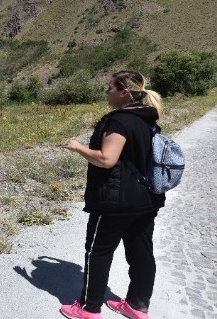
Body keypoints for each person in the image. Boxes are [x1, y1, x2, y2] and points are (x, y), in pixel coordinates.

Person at [59, 71, 165, 319]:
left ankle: (89, 308)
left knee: (98, 251)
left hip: (114, 201)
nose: (107, 92)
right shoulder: (147, 119)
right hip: (145, 199)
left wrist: (77, 147)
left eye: (110, 88)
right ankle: (137, 306)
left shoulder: (119, 121)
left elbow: (107, 159)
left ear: (124, 92)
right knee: (141, 253)